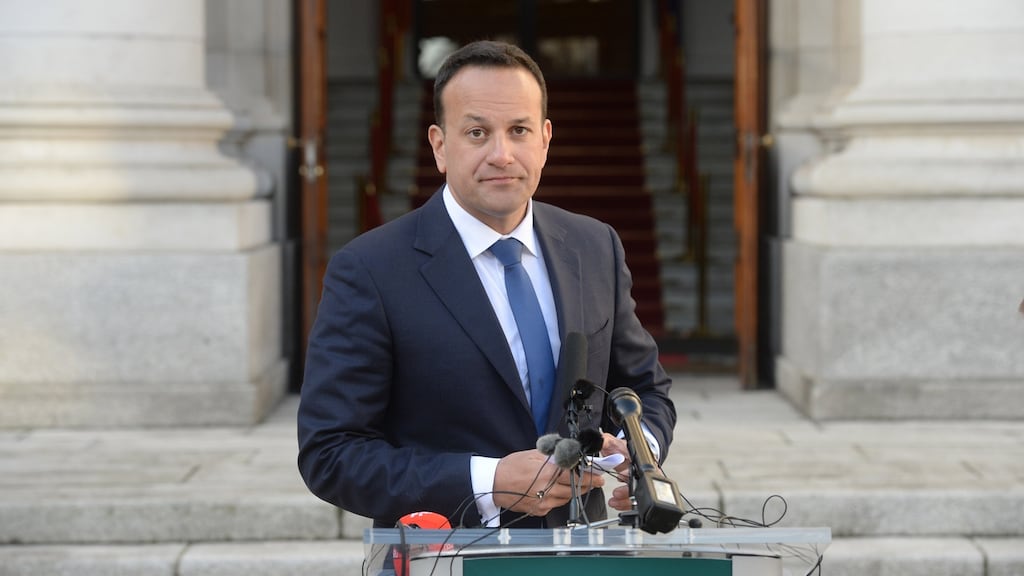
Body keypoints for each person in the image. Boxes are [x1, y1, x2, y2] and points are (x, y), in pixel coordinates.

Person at [297, 40, 675, 530]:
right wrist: (489, 481)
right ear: (439, 145)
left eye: (519, 130)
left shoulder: (594, 245)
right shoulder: (369, 269)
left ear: (544, 139)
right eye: (477, 133)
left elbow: (644, 388)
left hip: (581, 547)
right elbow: (331, 453)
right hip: (445, 553)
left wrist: (637, 452)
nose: (502, 154)